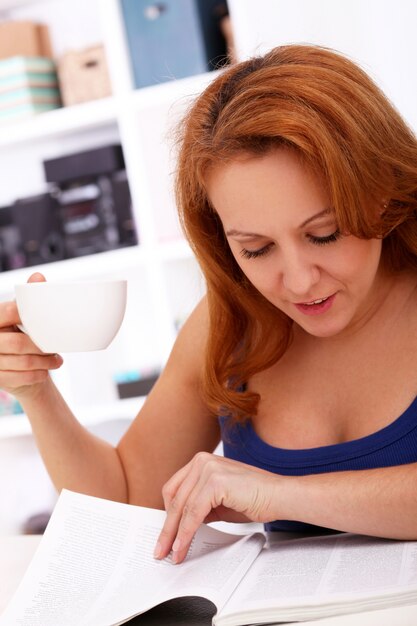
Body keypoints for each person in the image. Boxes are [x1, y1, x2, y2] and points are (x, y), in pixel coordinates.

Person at [2, 44, 417, 566]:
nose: (298, 280)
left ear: (382, 191)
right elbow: (124, 505)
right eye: (256, 248)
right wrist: (34, 390)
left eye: (325, 233)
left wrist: (279, 494)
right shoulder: (227, 326)